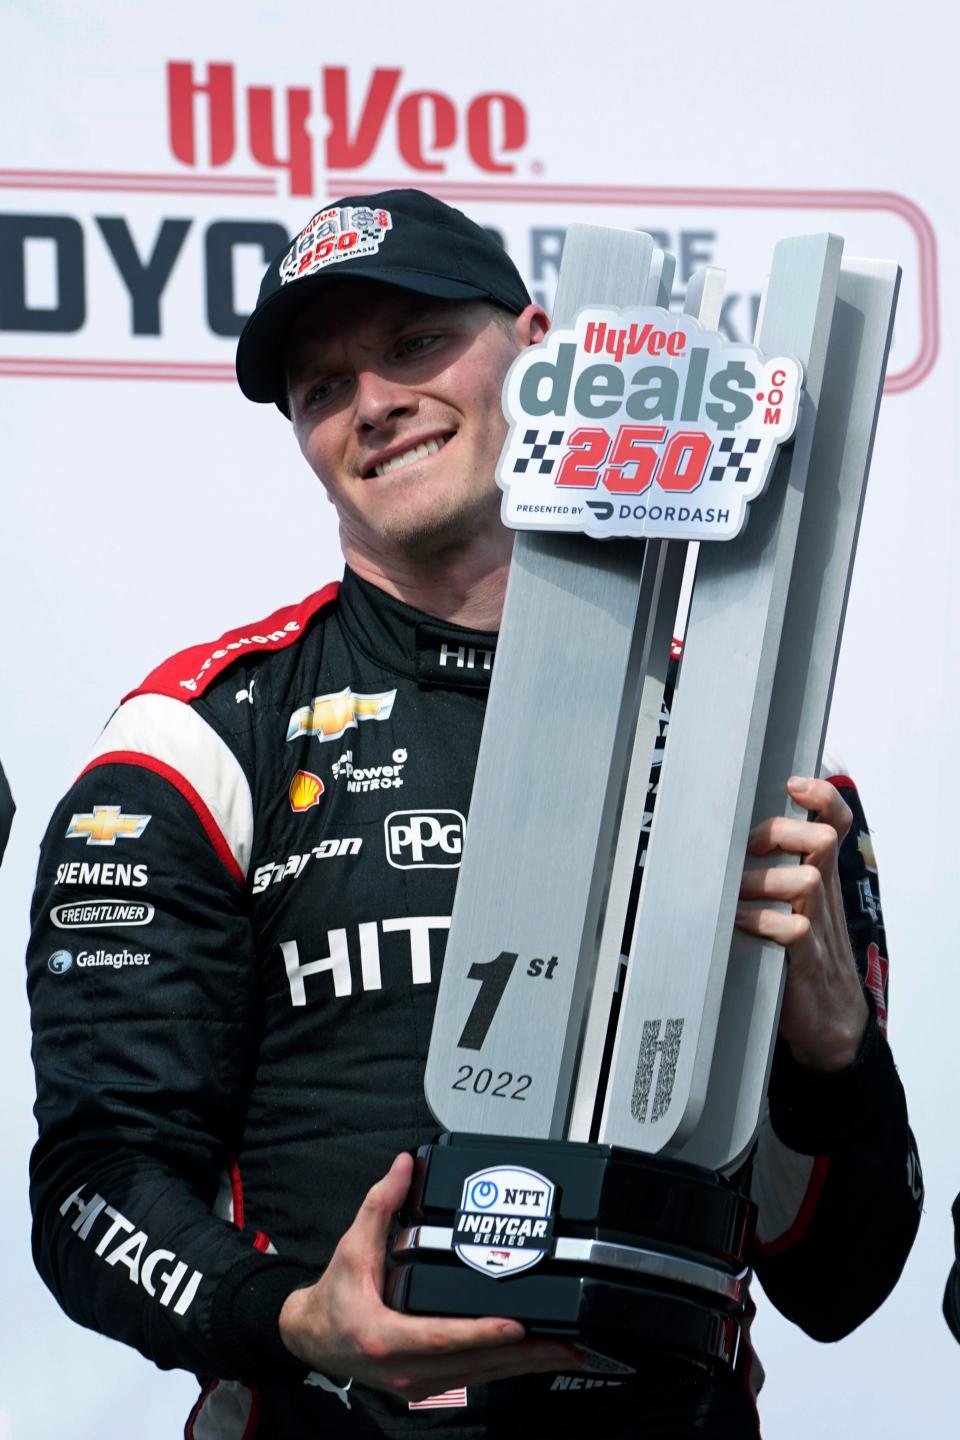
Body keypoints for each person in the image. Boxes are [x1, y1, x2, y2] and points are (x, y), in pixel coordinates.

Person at [27, 189, 922, 1439]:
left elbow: (842, 1282)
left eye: (411, 344)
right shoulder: (193, 745)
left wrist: (832, 1048)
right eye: (322, 386)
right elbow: (93, 1187)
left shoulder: (747, 750)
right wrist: (293, 1318)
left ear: (543, 352)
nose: (373, 401)